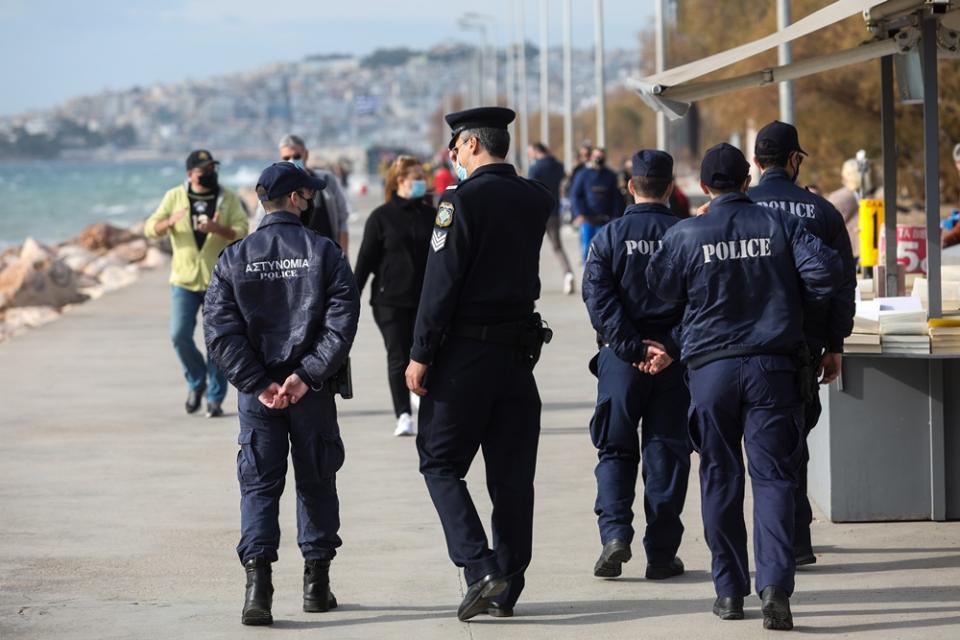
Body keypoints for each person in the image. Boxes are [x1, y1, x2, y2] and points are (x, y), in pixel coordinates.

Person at [646, 143, 841, 631]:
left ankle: (730, 592)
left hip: (711, 371)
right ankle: (774, 587)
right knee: (773, 478)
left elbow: (660, 288)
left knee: (720, 477)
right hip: (772, 368)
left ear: (703, 187)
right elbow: (826, 273)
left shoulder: (687, 233)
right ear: (747, 181)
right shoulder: (780, 224)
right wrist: (794, 310)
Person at [404, 107, 554, 621]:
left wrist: (420, 353)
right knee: (512, 478)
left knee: (439, 461)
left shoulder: (459, 201)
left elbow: (440, 284)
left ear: (470, 144)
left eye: (455, 146)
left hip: (466, 355)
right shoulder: (536, 197)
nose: (452, 155)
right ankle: (507, 585)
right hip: (517, 355)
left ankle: (480, 567)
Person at [202, 162, 360, 626]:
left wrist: (257, 382)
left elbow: (219, 332)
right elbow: (341, 321)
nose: (311, 200)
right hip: (310, 390)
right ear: (294, 199)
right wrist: (307, 375)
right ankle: (317, 586)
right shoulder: (324, 251)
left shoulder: (234, 257)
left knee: (258, 485)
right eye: (308, 194)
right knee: (317, 480)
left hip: (260, 395)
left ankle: (258, 590)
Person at [747, 121, 857, 566]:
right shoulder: (822, 211)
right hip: (802, 348)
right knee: (791, 445)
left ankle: (760, 547)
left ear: (756, 163)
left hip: (741, 347)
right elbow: (842, 284)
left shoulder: (738, 208)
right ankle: (795, 541)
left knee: (748, 454)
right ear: (794, 160)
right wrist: (835, 344)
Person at [582, 150, 691, 581]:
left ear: (631, 186)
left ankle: (614, 535)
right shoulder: (686, 235)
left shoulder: (609, 236)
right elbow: (701, 300)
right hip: (672, 365)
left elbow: (597, 297)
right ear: (669, 188)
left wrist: (631, 347)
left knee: (615, 449)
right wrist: (668, 348)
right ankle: (661, 555)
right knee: (667, 452)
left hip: (621, 361)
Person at [144, 150, 249, 418]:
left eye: (213, 169)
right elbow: (149, 228)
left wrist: (219, 230)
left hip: (218, 280)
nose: (210, 174)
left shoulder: (227, 198)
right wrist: (168, 222)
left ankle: (214, 398)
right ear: (190, 173)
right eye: (204, 171)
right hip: (184, 280)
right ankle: (196, 379)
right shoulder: (175, 196)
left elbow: (242, 229)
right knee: (179, 335)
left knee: (217, 340)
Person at [354, 156, 436, 436]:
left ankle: (422, 397)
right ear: (400, 180)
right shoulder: (381, 217)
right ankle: (403, 415)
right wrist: (350, 300)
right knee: (398, 355)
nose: (422, 182)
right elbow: (364, 262)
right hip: (389, 301)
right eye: (416, 177)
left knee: (426, 352)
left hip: (426, 300)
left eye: (423, 176)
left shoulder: (432, 215)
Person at [253, 135, 351, 252]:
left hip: (326, 250)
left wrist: (342, 254)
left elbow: (342, 219)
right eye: (286, 158)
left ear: (306, 154)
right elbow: (260, 222)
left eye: (296, 156)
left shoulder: (327, 180)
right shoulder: (273, 187)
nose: (292, 160)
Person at [528, 142, 575, 294]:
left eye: (530, 152)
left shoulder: (535, 168)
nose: (529, 155)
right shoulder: (558, 166)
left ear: (536, 151)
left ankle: (528, 280)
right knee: (557, 246)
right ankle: (568, 273)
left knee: (531, 247)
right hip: (554, 210)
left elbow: (531, 190)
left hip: (537, 212)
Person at [570, 147, 625, 263]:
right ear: (591, 157)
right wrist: (579, 213)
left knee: (605, 249)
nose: (598, 159)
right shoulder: (583, 174)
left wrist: (616, 217)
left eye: (601, 157)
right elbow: (575, 195)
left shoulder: (611, 175)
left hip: (606, 219)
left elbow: (616, 198)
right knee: (587, 248)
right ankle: (586, 270)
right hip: (587, 219)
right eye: (596, 156)